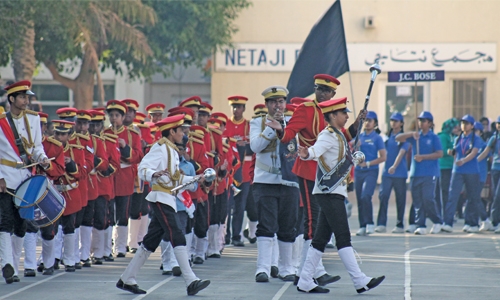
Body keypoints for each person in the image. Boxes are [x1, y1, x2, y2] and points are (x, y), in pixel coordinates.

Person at [276, 74, 365, 287]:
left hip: (328, 176)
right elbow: (288, 135)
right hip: (309, 170)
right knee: (312, 221)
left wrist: (358, 122)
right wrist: (280, 128)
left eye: (327, 90)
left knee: (322, 225)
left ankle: (309, 272)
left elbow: (345, 136)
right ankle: (310, 271)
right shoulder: (305, 110)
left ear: (333, 94)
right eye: (319, 88)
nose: (322, 93)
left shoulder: (334, 113)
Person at [295, 97, 385, 294]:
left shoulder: (338, 134)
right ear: (333, 115)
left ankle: (305, 280)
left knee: (320, 240)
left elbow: (350, 134)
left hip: (333, 192)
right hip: (328, 193)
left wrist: (358, 120)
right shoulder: (327, 135)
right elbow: (315, 151)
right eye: (344, 113)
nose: (346, 116)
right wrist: (305, 153)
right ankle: (359, 280)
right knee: (343, 236)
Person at [116, 114, 210, 296]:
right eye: (181, 130)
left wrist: (197, 178)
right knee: (177, 233)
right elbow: (142, 168)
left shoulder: (172, 150)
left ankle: (127, 278)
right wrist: (153, 174)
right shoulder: (160, 148)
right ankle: (191, 280)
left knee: (151, 241)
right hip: (160, 198)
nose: (184, 133)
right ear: (172, 131)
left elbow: (176, 179)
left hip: (168, 198)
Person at [0, 80, 50, 284]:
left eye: (27, 97)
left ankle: (13, 262)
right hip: (6, 174)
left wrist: (43, 158)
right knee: (5, 222)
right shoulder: (2, 121)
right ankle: (7, 264)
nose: (26, 101)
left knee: (21, 224)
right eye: (22, 97)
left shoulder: (34, 119)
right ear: (11, 98)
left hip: (26, 177)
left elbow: (37, 146)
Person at [250, 86, 299, 283]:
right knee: (266, 225)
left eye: (280, 101)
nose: (277, 106)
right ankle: (262, 268)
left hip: (289, 181)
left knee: (288, 225)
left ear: (285, 103)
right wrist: (272, 128)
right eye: (273, 102)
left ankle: (286, 268)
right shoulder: (257, 122)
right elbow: (255, 147)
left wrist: (284, 128)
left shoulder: (294, 123)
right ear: (267, 105)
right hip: (265, 180)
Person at [396, 111, 443, 235]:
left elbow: (439, 153)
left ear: (430, 123)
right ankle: (420, 224)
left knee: (428, 198)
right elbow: (398, 138)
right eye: (420, 120)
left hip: (430, 173)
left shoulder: (434, 137)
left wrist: (423, 157)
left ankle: (437, 220)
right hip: (415, 173)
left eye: (424, 121)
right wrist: (411, 133)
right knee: (417, 200)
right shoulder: (416, 136)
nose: (421, 123)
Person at [442, 115, 483, 233]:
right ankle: (448, 222)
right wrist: (452, 155)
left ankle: (472, 223)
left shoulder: (476, 138)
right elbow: (456, 153)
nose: (464, 125)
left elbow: (474, 153)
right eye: (462, 123)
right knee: (452, 196)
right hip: (458, 171)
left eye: (467, 123)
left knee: (472, 197)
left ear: (472, 126)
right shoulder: (458, 138)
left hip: (471, 171)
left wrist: (463, 160)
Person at [354, 111, 386, 236]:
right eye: (365, 120)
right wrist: (355, 146)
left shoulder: (377, 138)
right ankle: (362, 225)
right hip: (358, 172)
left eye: (370, 120)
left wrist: (367, 164)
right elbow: (352, 153)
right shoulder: (359, 136)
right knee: (359, 198)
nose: (367, 123)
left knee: (366, 196)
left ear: (375, 123)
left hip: (371, 171)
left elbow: (383, 157)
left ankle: (370, 223)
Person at [377, 112, 409, 233]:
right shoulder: (387, 137)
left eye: (396, 121)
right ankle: (381, 223)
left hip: (399, 173)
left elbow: (402, 153)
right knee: (383, 196)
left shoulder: (404, 138)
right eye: (392, 120)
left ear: (401, 123)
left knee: (400, 199)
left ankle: (400, 224)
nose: (393, 123)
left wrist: (394, 166)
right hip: (387, 173)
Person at [436, 118, 461, 220]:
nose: (457, 129)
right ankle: (443, 214)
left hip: (452, 167)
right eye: (455, 127)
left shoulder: (454, 137)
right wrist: (451, 152)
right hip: (443, 167)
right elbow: (442, 150)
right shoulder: (442, 136)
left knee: (451, 191)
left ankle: (450, 213)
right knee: (444, 191)